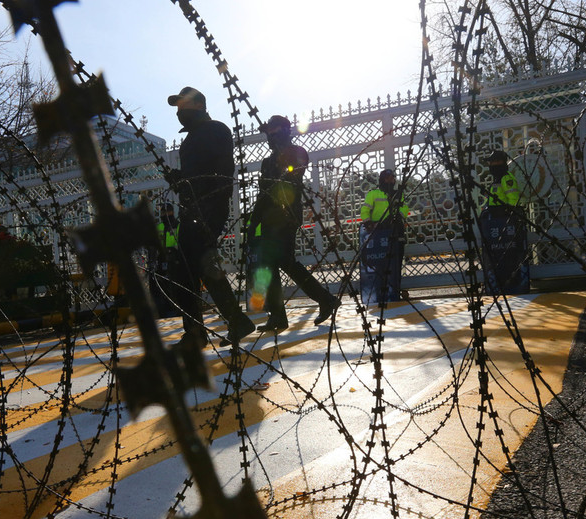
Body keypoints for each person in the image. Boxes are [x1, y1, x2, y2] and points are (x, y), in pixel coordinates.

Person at [165, 86, 255, 347]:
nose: (180, 111)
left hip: (209, 209)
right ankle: (231, 323)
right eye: (178, 107)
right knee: (194, 268)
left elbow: (223, 171)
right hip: (192, 210)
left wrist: (215, 205)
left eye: (184, 105)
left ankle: (201, 332)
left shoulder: (216, 129)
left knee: (191, 268)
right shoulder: (190, 139)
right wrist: (179, 181)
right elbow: (195, 179)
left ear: (200, 105)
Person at [246, 115, 338, 331]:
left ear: (286, 131)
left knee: (281, 262)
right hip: (269, 218)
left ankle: (318, 302)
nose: (271, 135)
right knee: (278, 263)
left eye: (275, 131)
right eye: (269, 132)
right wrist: (254, 221)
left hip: (286, 217)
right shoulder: (267, 162)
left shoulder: (297, 152)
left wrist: (280, 151)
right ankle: (313, 303)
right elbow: (264, 193)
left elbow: (291, 179)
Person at [479, 149, 529, 295]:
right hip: (495, 223)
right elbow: (497, 198)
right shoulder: (498, 179)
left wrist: (507, 213)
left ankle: (511, 285)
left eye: (493, 161)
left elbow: (513, 200)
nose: (491, 165)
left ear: (500, 162)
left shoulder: (506, 178)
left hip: (504, 224)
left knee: (508, 258)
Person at [360, 169, 410, 306]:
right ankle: (379, 292)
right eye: (387, 178)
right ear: (382, 179)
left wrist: (398, 217)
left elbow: (405, 208)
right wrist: (368, 222)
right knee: (380, 263)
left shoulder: (398, 194)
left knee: (396, 262)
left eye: (392, 178)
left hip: (395, 231)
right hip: (379, 233)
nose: (390, 180)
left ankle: (394, 291)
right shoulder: (373, 194)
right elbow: (365, 210)